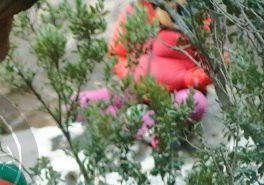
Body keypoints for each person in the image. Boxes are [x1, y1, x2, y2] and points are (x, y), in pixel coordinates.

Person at [77, 0, 212, 146]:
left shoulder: (196, 11)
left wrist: (185, 79)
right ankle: (136, 122)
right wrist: (133, 76)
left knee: (194, 102)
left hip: (177, 96)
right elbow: (118, 54)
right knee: (76, 104)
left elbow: (216, 64)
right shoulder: (137, 8)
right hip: (138, 92)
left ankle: (153, 130)